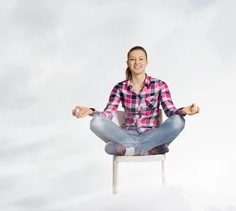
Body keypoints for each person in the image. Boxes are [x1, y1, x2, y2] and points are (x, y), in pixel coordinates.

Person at [72, 45, 200, 156]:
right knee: (96, 122)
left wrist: (184, 111)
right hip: (127, 134)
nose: (136, 62)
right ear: (127, 62)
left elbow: (170, 111)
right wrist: (91, 112)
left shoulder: (160, 85)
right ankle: (149, 149)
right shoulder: (119, 88)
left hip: (152, 135)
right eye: (133, 59)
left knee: (178, 120)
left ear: (146, 62)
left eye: (140, 59)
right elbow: (108, 113)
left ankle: (130, 149)